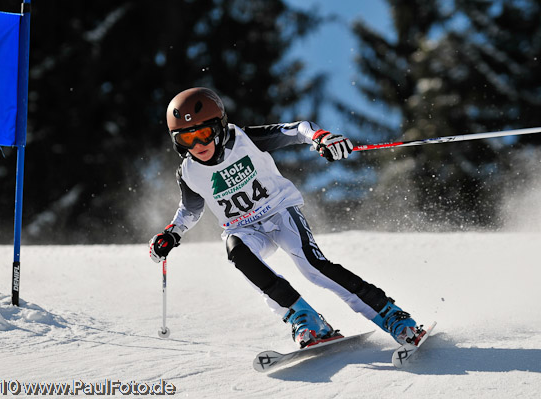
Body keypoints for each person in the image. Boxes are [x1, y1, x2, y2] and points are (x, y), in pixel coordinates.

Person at [149, 87, 425, 348]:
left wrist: (321, 138)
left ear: (220, 126)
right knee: (237, 252)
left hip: (280, 212)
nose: (198, 144)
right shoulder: (188, 173)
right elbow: (191, 209)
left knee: (313, 268)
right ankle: (305, 318)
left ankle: (391, 314)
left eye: (205, 133)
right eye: (187, 138)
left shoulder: (245, 140)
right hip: (244, 229)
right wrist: (172, 232)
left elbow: (297, 130)